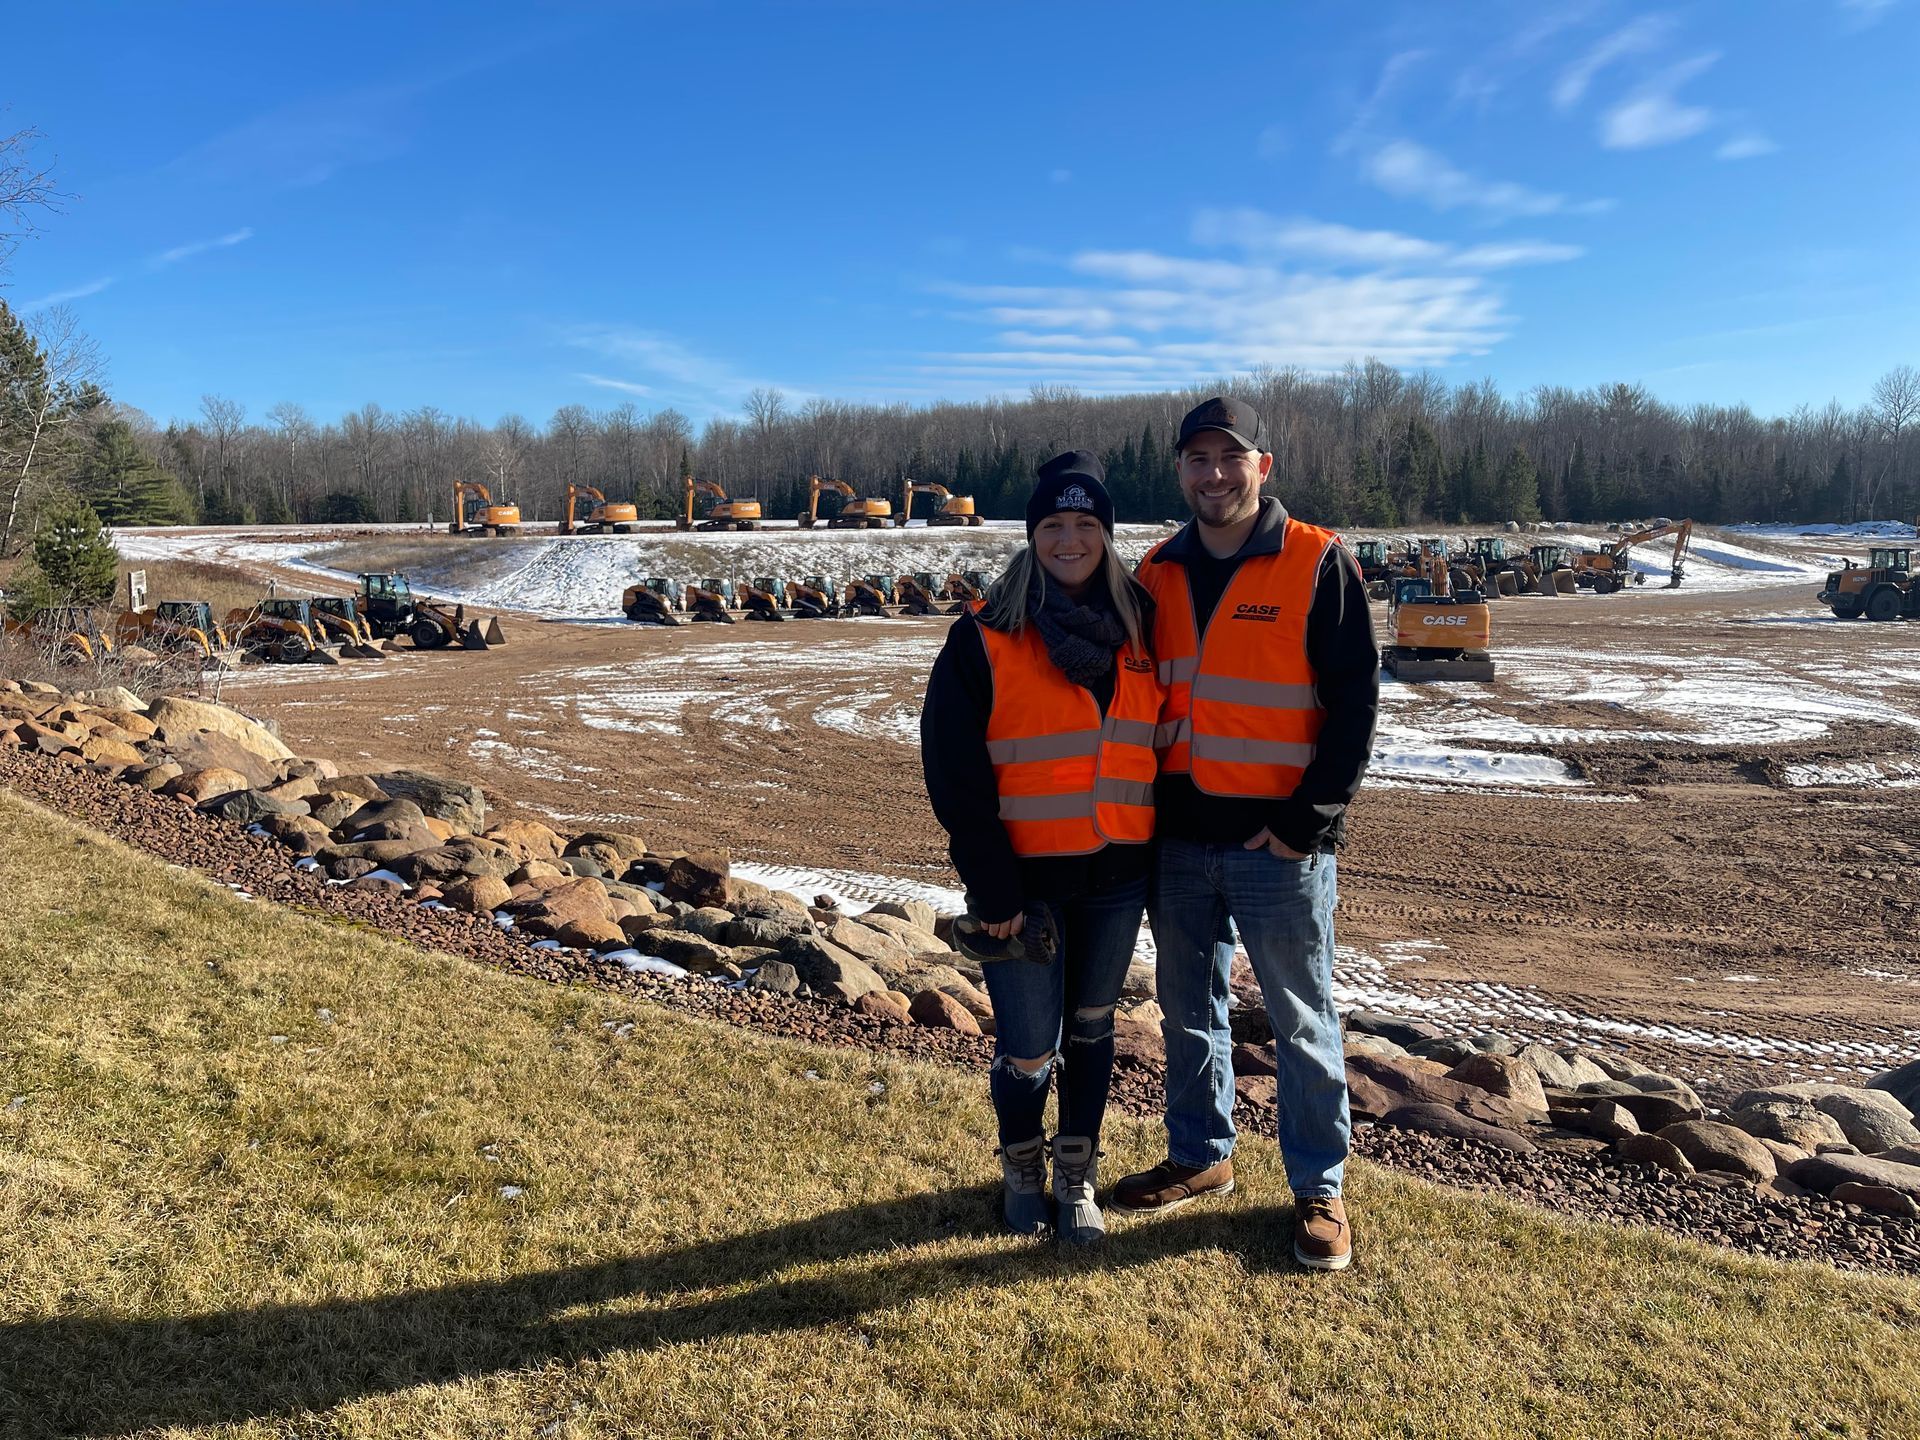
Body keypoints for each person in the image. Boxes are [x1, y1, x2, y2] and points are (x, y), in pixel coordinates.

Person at [1113, 396, 1379, 1272]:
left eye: (1231, 458)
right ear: (1179, 471)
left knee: (1302, 1020)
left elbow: (1353, 708)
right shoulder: (1156, 570)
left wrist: (1308, 823)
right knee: (1190, 1012)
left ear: (1264, 466)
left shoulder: (1315, 561)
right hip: (1179, 843)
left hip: (1280, 847)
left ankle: (1319, 1189)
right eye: (1197, 459)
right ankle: (1201, 1156)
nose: (1214, 475)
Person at [920, 450, 1165, 1245]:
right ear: (1031, 536)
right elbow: (955, 774)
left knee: (1093, 1031)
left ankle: (1077, 1175)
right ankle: (1021, 1163)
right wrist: (992, 890)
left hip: (1117, 876)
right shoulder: (986, 635)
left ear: (1107, 533)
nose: (1069, 540)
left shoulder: (1143, 628)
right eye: (1053, 525)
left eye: (1085, 524)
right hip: (1020, 887)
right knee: (1029, 1051)